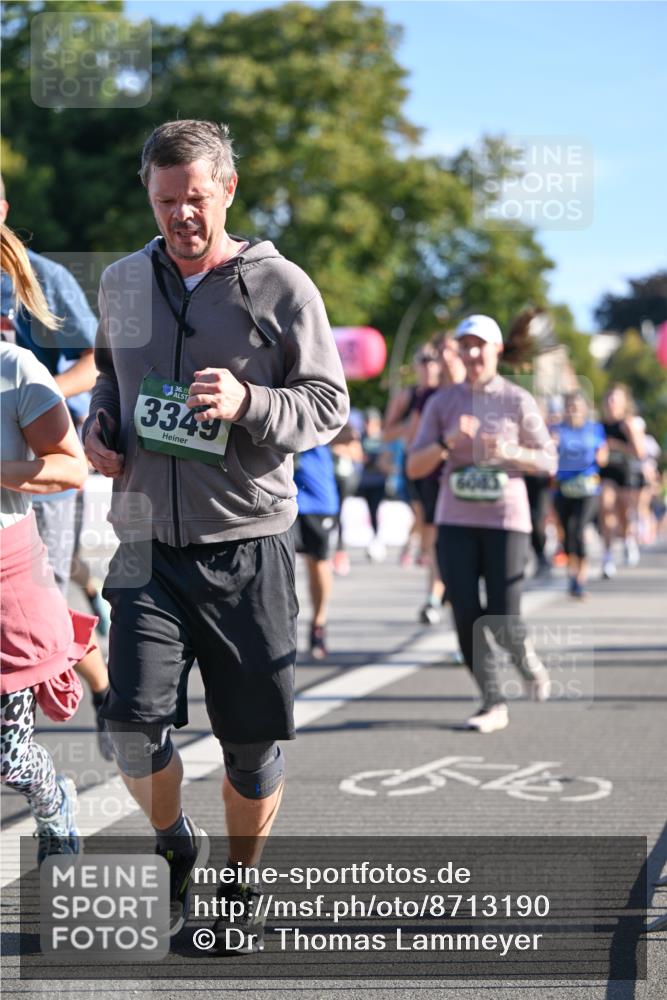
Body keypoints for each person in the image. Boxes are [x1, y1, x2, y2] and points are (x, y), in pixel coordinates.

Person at [82, 120, 349, 947]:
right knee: (130, 726)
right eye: (165, 202)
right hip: (146, 544)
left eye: (194, 199)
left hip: (247, 543)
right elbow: (107, 375)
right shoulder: (125, 279)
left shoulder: (281, 286)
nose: (180, 217)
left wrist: (248, 405)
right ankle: (175, 845)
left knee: (249, 744)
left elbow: (327, 405)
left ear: (226, 189)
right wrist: (100, 426)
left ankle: (242, 883)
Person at [0, 175, 112, 759]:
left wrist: (37, 390)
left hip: (37, 466)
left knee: (39, 599)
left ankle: (103, 689)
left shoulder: (39, 276)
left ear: (3, 207)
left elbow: (99, 360)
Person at [408, 314, 555, 733]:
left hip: (506, 521)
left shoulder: (515, 400)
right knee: (467, 613)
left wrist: (510, 451)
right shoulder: (442, 402)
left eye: (480, 345)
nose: (472, 353)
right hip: (455, 519)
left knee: (504, 617)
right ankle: (493, 701)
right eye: (465, 345)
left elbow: (548, 460)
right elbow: (416, 467)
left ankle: (523, 656)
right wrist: (447, 442)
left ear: (497, 351)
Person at [0, 223, 96, 863]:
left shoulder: (16, 369)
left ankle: (51, 795)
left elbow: (70, 466)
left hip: (6, 571)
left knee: (8, 756)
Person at [552, 391, 608, 598]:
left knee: (578, 527)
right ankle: (572, 574)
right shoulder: (556, 430)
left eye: (576, 406)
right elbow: (547, 455)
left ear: (585, 408)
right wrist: (552, 445)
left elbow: (603, 458)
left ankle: (580, 579)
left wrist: (599, 454)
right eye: (569, 406)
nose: (573, 410)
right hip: (563, 487)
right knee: (566, 533)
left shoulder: (594, 429)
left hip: (587, 487)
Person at [293, 446, 340, 659]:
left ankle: (318, 626)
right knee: (274, 566)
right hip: (279, 495)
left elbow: (349, 437)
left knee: (318, 564)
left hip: (318, 499)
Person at [600, 384, 646, 577]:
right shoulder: (599, 425)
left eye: (616, 399)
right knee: (605, 507)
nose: (612, 403)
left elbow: (640, 452)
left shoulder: (628, 424)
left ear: (623, 402)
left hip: (626, 474)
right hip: (607, 474)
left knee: (624, 514)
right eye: (609, 398)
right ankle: (607, 555)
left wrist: (618, 444)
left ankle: (628, 540)